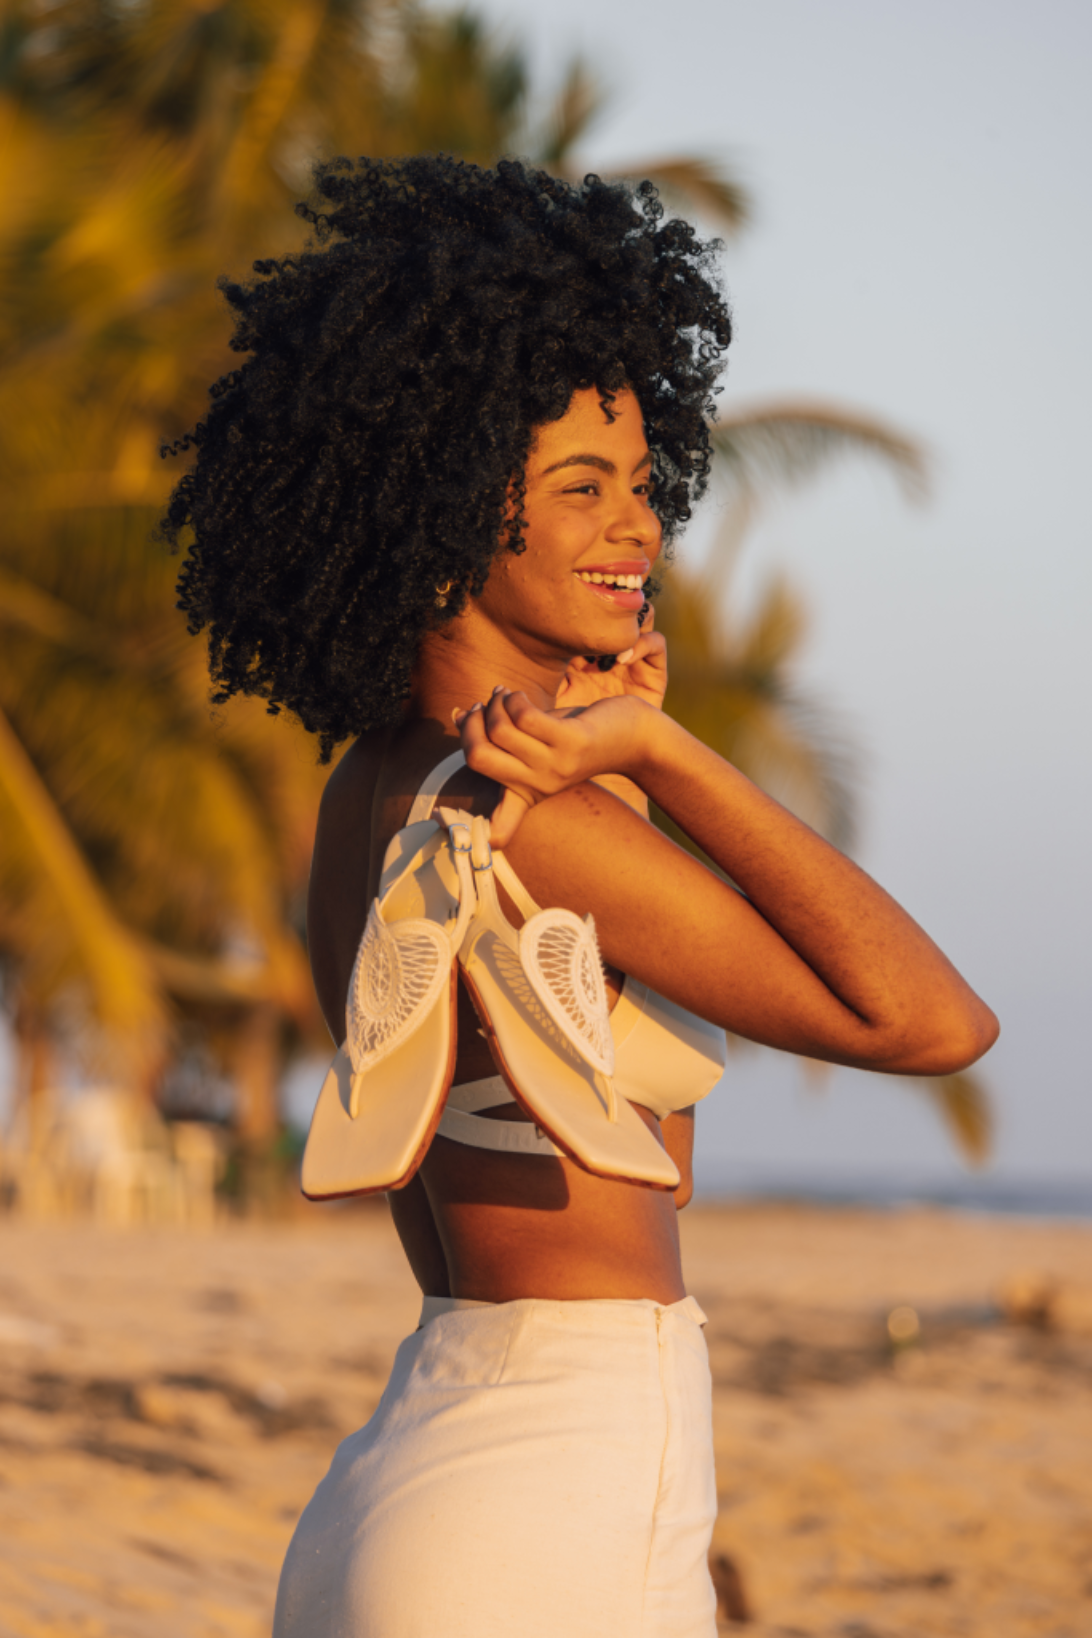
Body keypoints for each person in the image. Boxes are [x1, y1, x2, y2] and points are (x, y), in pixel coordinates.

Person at [165, 154, 998, 1638]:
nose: (639, 529)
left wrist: (611, 765)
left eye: (641, 480)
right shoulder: (544, 828)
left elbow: (564, 1091)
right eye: (578, 486)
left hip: (404, 1471)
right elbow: (929, 1018)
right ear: (441, 508)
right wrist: (667, 756)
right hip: (555, 1488)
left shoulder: (371, 793)